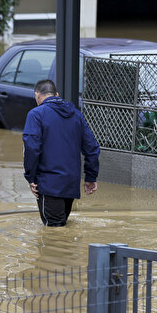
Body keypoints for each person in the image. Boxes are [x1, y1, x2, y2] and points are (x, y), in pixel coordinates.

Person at [23, 79, 100, 226]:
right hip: (70, 184)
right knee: (61, 226)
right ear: (56, 95)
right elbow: (92, 148)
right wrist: (90, 177)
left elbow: (31, 148)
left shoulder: (36, 114)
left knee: (53, 233)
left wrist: (30, 177)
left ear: (37, 95)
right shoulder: (77, 115)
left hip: (49, 185)